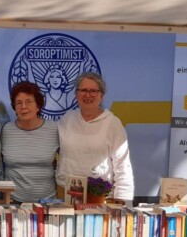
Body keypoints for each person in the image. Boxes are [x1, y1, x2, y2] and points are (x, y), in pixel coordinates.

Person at [56, 72, 134, 200]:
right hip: (65, 193)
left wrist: (122, 200)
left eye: (93, 91)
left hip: (98, 196)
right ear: (76, 94)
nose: (88, 95)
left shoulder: (112, 123)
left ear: (101, 95)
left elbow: (122, 164)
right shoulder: (66, 119)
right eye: (83, 90)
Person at [1, 81, 59, 202]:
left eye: (28, 102)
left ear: (38, 105)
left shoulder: (54, 129)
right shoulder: (6, 130)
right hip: (12, 202)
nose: (23, 107)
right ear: (14, 107)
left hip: (47, 202)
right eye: (18, 103)